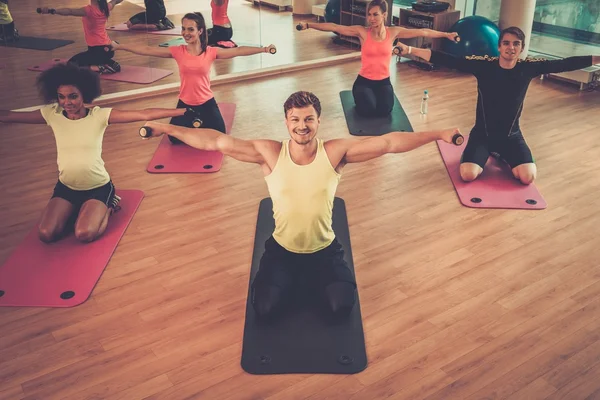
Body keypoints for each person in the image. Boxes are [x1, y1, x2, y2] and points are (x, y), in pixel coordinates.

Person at [138, 91, 463, 320]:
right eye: (295, 119)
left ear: (319, 121)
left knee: (340, 308)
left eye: (308, 119)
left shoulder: (335, 152)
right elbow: (215, 141)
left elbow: (389, 143)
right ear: (286, 121)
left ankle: (310, 280)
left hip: (325, 251)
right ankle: (293, 279)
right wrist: (166, 128)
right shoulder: (269, 152)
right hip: (282, 251)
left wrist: (437, 133)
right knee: (264, 310)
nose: (302, 125)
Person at [0, 63, 198, 243]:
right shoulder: (52, 114)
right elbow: (10, 116)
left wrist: (183, 112)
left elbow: (144, 113)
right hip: (66, 187)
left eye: (73, 96)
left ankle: (109, 205)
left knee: (84, 234)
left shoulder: (99, 116)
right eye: (62, 96)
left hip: (98, 187)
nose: (66, 102)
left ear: (84, 95)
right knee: (46, 234)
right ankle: (79, 209)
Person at [394, 26, 600, 184]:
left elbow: (564, 63)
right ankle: (490, 152)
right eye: (507, 43)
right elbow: (449, 60)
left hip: (512, 136)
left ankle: (502, 154)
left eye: (516, 44)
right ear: (499, 46)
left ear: (521, 48)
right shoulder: (484, 66)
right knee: (468, 175)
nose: (511, 47)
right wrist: (410, 49)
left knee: (528, 177)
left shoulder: (528, 68)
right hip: (482, 136)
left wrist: (597, 58)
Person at [110, 12, 276, 144]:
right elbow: (147, 49)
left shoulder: (211, 52)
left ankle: (197, 123)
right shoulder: (178, 51)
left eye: (190, 29)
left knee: (220, 134)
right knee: (174, 139)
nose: (185, 33)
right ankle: (196, 123)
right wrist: (121, 46)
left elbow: (238, 51)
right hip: (185, 103)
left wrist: (263, 50)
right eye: (183, 29)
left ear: (200, 31)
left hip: (206, 102)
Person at [297, 0, 458, 118]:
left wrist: (446, 35)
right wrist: (309, 25)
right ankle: (360, 96)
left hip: (383, 82)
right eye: (369, 14)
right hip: (364, 81)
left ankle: (372, 98)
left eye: (375, 14)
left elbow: (423, 32)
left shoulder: (393, 32)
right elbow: (335, 27)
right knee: (368, 110)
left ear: (384, 15)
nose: (371, 18)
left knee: (385, 110)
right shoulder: (362, 32)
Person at [37, 0, 123, 74]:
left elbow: (69, 11)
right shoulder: (106, 7)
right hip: (108, 48)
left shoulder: (89, 10)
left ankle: (100, 68)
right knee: (93, 57)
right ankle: (108, 63)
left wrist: (52, 11)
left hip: (97, 50)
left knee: (71, 64)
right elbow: (116, 1)